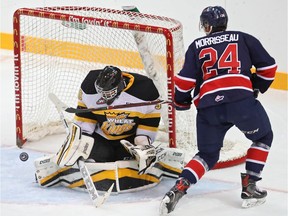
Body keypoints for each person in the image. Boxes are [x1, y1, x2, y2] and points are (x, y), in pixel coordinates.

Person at [159, 6, 277, 214]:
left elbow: (185, 81)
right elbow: (268, 68)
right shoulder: (243, 38)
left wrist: (181, 101)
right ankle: (250, 186)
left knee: (207, 154)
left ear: (206, 25)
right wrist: (257, 85)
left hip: (208, 107)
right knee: (264, 137)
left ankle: (180, 187)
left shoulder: (197, 45)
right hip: (241, 103)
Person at [34, 66, 185, 193]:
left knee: (137, 160)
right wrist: (79, 143)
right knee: (92, 153)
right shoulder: (88, 87)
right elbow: (86, 124)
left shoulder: (146, 91)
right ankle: (58, 167)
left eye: (109, 94)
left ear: (120, 86)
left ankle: (158, 158)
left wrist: (143, 146)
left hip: (128, 141)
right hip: (102, 139)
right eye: (102, 93)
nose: (104, 98)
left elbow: (147, 128)